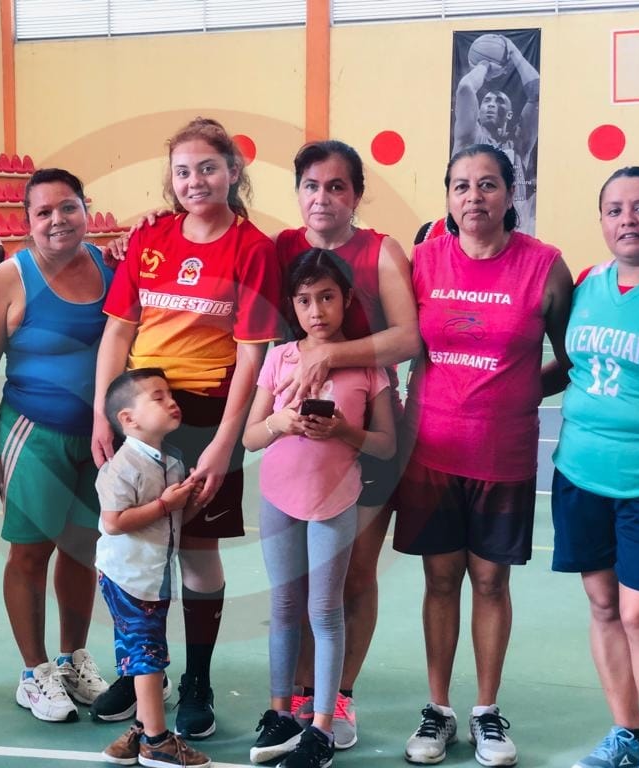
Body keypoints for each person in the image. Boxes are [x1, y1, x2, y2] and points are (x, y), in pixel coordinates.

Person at [92, 116, 281, 738]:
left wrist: (224, 442)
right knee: (135, 553)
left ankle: (197, 678)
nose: (194, 180)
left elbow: (251, 356)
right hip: (141, 412)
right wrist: (103, 412)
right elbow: (119, 328)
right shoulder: (151, 236)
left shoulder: (253, 249)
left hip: (205, 415)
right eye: (182, 171)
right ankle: (141, 671)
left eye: (207, 168)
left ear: (232, 172)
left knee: (198, 554)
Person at [395, 144, 572, 767]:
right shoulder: (421, 261)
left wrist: (518, 392)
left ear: (509, 194)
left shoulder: (544, 267)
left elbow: (569, 358)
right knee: (440, 581)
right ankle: (439, 709)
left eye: (488, 184)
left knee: (491, 582)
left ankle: (486, 712)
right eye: (462, 186)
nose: (474, 196)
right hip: (432, 452)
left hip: (504, 453)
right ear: (448, 197)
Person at [274, 140, 420, 747]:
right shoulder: (282, 247)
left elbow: (408, 337)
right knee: (302, 582)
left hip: (370, 438)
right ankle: (302, 693)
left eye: (337, 186)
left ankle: (340, 696)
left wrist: (334, 356)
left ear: (356, 194)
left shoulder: (381, 251)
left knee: (353, 575)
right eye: (311, 185)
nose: (323, 197)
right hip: (302, 448)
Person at [0, 168, 112, 723]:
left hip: (98, 439)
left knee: (82, 550)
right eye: (44, 212)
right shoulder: (9, 279)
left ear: (86, 209)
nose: (58, 220)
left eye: (68, 207)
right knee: (30, 553)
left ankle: (73, 659)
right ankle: (34, 672)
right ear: (27, 221)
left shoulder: (109, 265)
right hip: (34, 435)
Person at [244, 249, 396, 768]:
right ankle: (280, 714)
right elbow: (250, 436)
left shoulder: (367, 365)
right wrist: (280, 423)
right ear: (292, 304)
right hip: (278, 496)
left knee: (324, 610)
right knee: (285, 606)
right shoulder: (280, 358)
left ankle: (323, 728)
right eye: (305, 300)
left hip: (334, 500)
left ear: (346, 299)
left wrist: (344, 431)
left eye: (327, 297)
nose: (317, 311)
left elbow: (385, 446)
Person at [549, 166, 639, 768]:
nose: (628, 220)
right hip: (579, 475)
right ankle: (626, 731)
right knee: (602, 606)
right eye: (615, 209)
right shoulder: (588, 284)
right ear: (601, 220)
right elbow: (571, 368)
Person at [96, 368, 210, 768]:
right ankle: (157, 742)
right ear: (128, 419)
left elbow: (172, 518)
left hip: (152, 575)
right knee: (148, 655)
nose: (171, 402)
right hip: (129, 577)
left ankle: (140, 730)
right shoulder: (121, 467)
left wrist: (190, 500)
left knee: (139, 651)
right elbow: (114, 521)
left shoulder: (171, 460)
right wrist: (165, 504)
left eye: (170, 395)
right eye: (158, 398)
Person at [452, 33, 539, 235]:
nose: (492, 104)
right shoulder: (469, 138)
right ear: (478, 111)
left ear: (509, 114)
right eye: (487, 101)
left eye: (499, 101)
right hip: (474, 236)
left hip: (515, 238)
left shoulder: (519, 145)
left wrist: (513, 52)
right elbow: (465, 88)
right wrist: (485, 64)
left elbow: (536, 92)